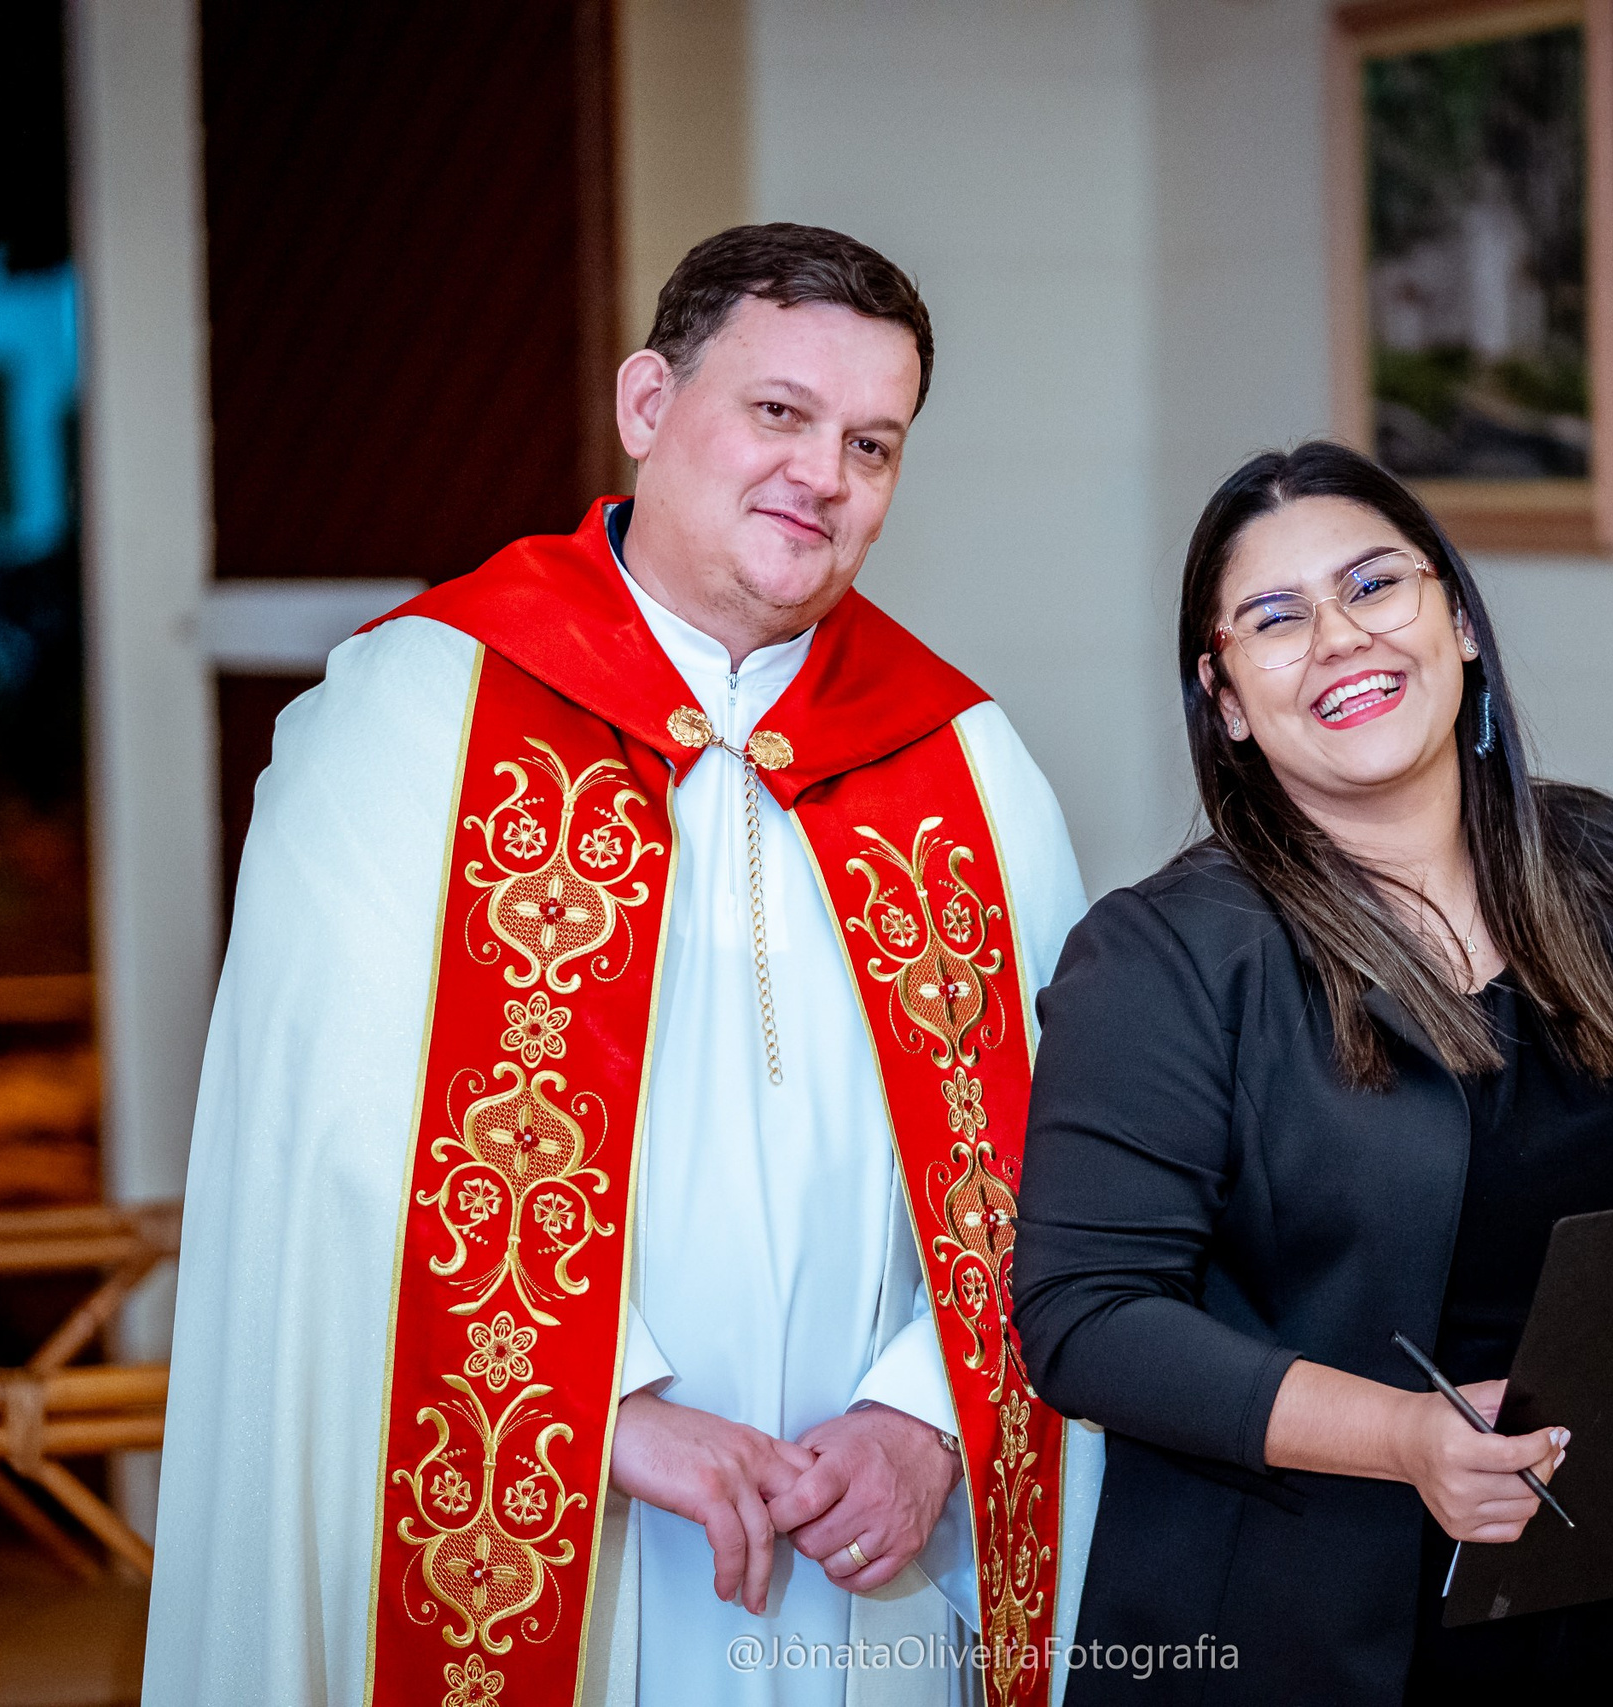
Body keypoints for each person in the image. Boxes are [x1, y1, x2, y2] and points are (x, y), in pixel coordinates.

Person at [146, 224, 1102, 1707]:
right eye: (776, 412)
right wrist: (611, 1404)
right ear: (648, 404)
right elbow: (339, 1133)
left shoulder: (967, 766)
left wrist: (925, 1416)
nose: (823, 475)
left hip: (874, 1554)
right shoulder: (413, 715)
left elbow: (1065, 1140)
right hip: (557, 1519)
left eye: (872, 443)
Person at [1011, 440, 1613, 1702]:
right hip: (1286, 1631)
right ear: (1227, 698)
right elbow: (1085, 1320)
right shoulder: (1167, 957)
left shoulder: (1604, 865)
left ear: (1457, 621)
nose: (1340, 639)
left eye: (1374, 587)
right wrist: (1404, 1437)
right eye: (1274, 618)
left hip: (1584, 1612)